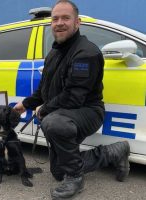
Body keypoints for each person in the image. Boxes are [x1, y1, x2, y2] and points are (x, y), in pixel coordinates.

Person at [14, 0, 130, 199]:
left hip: (87, 111)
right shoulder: (54, 52)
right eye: (55, 18)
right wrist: (26, 104)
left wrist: (43, 109)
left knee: (53, 122)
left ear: (77, 22)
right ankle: (114, 152)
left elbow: (74, 97)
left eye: (65, 18)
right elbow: (43, 89)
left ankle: (76, 177)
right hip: (65, 112)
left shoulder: (86, 53)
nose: (59, 22)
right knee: (59, 171)